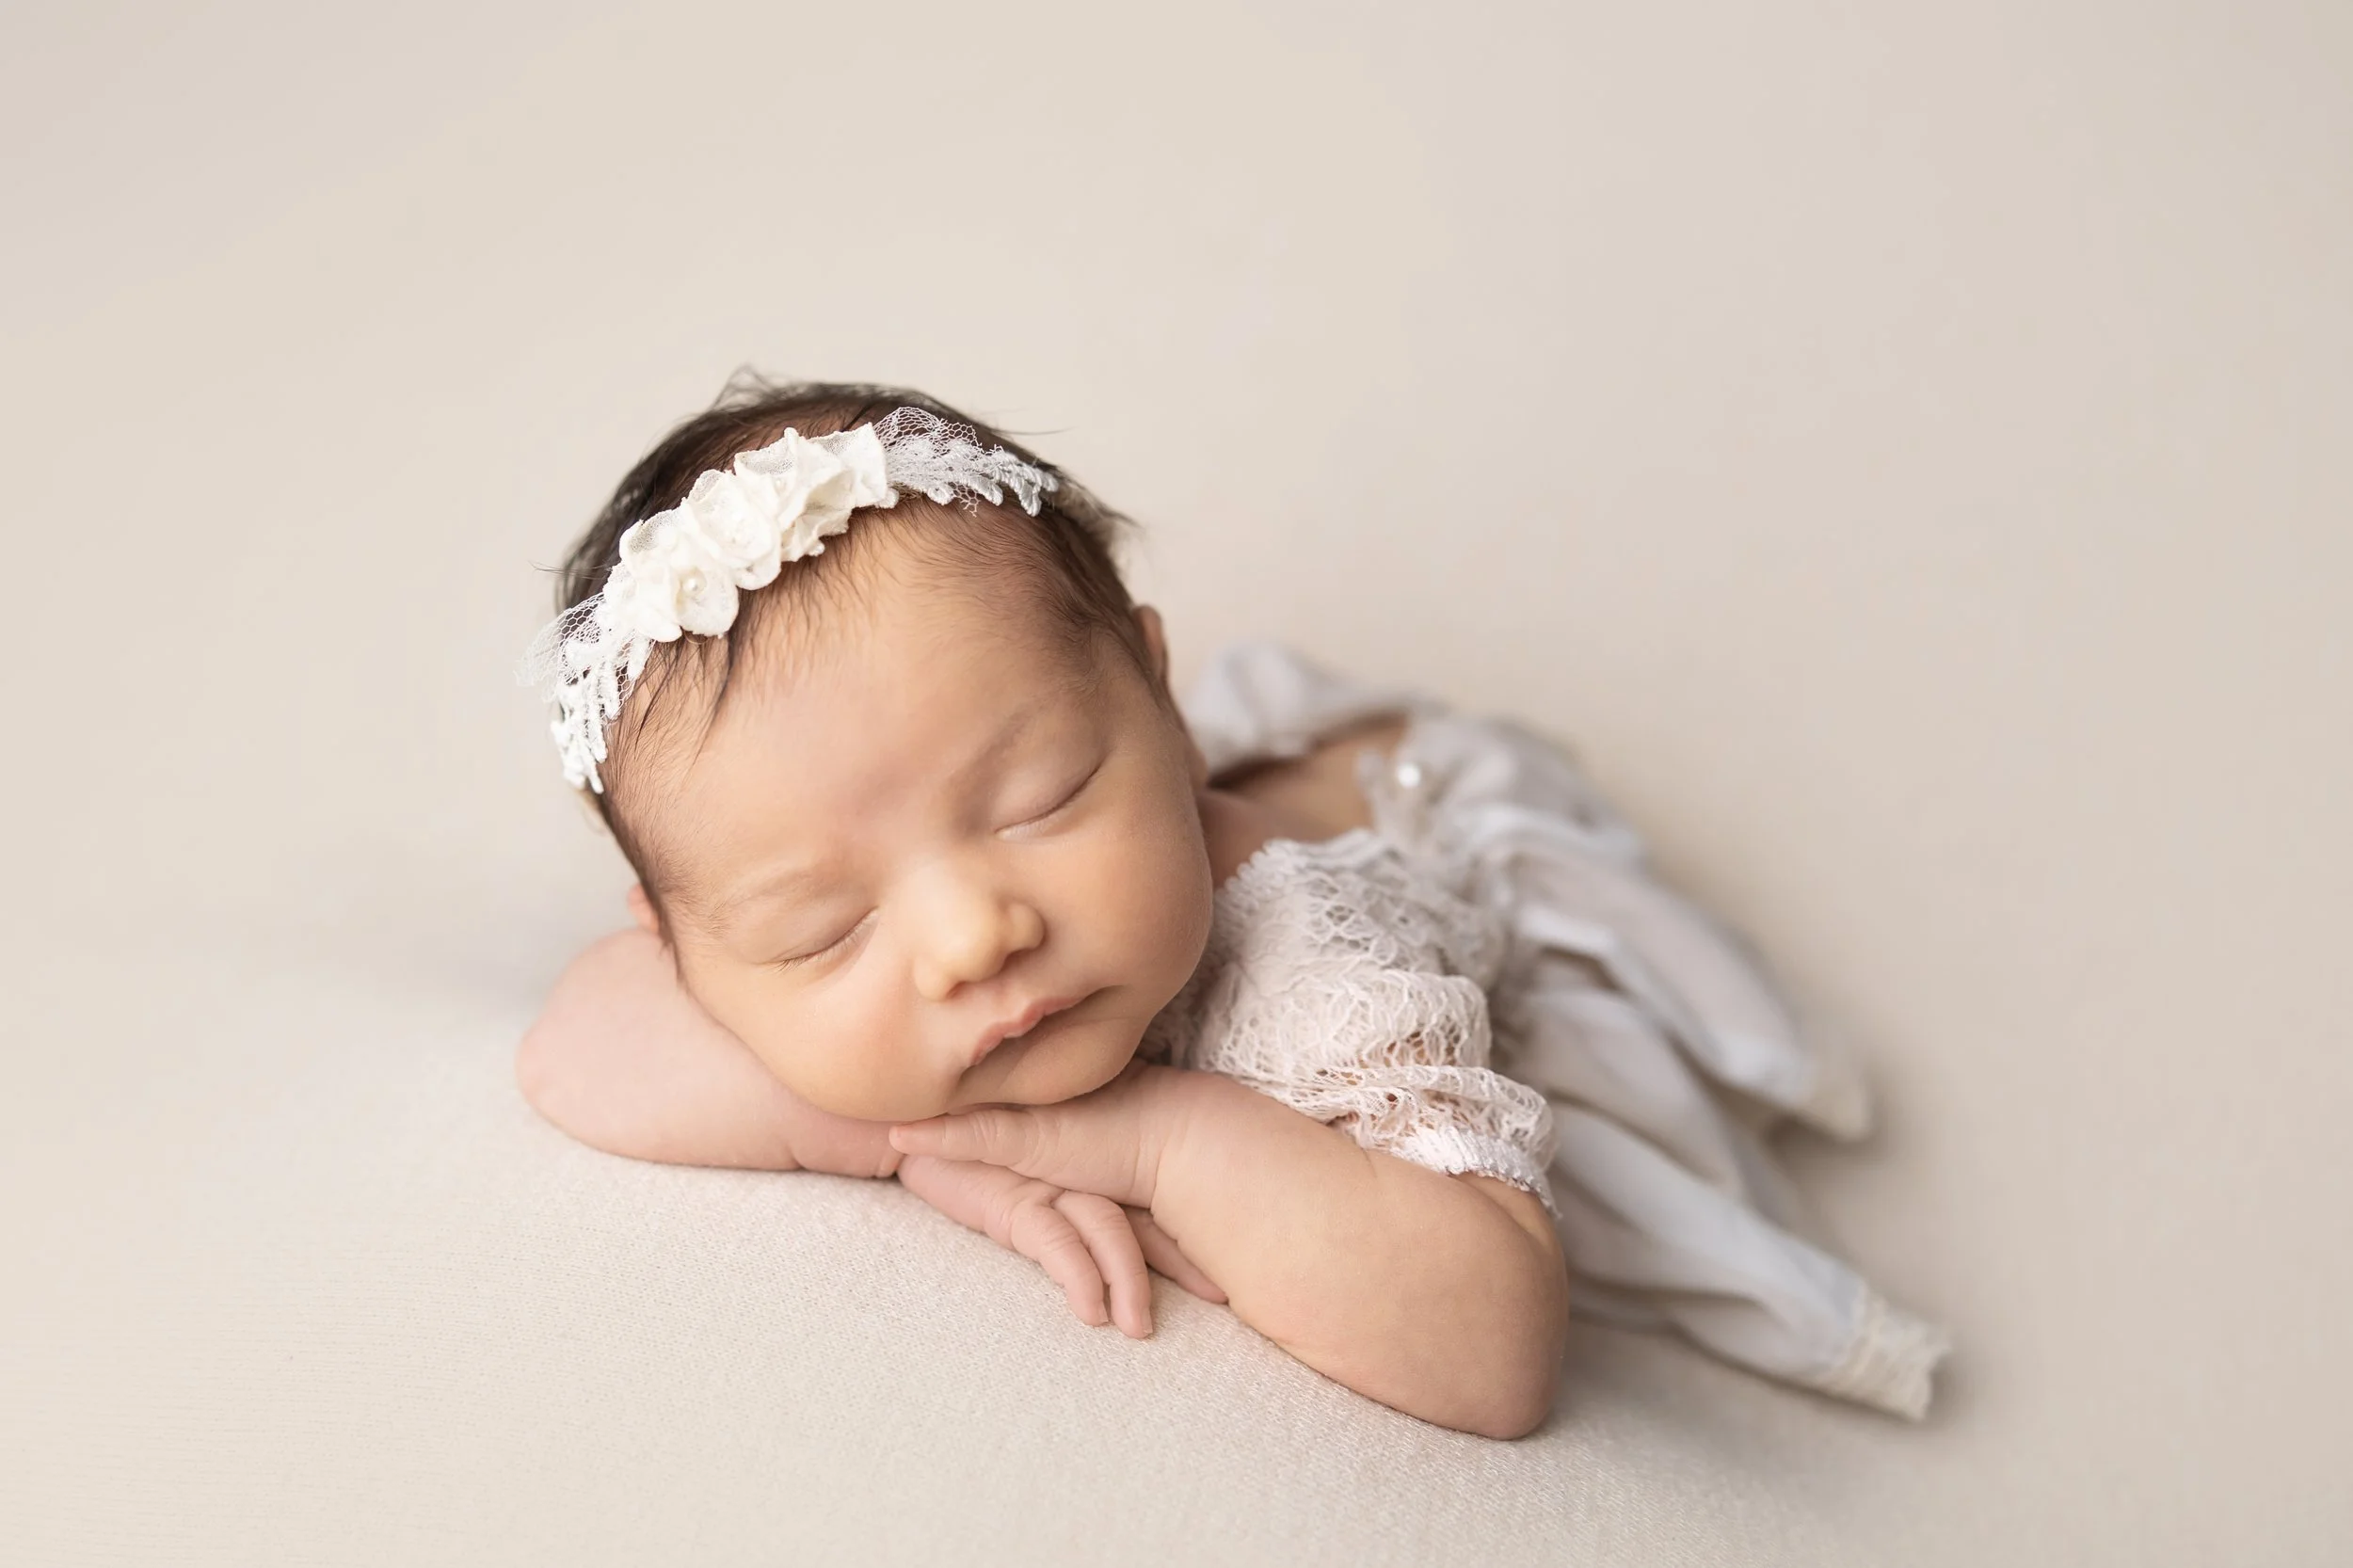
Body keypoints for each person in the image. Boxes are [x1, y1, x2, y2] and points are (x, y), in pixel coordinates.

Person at [514, 378, 1947, 1438]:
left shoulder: (1318, 968)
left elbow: (1493, 1344)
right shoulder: (758, 954)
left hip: (1409, 829)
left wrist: (1152, 1134)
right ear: (679, 938)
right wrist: (940, 1148)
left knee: (1577, 931)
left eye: (1043, 796)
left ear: (1158, 700)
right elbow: (572, 1048)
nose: (970, 937)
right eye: (821, 927)